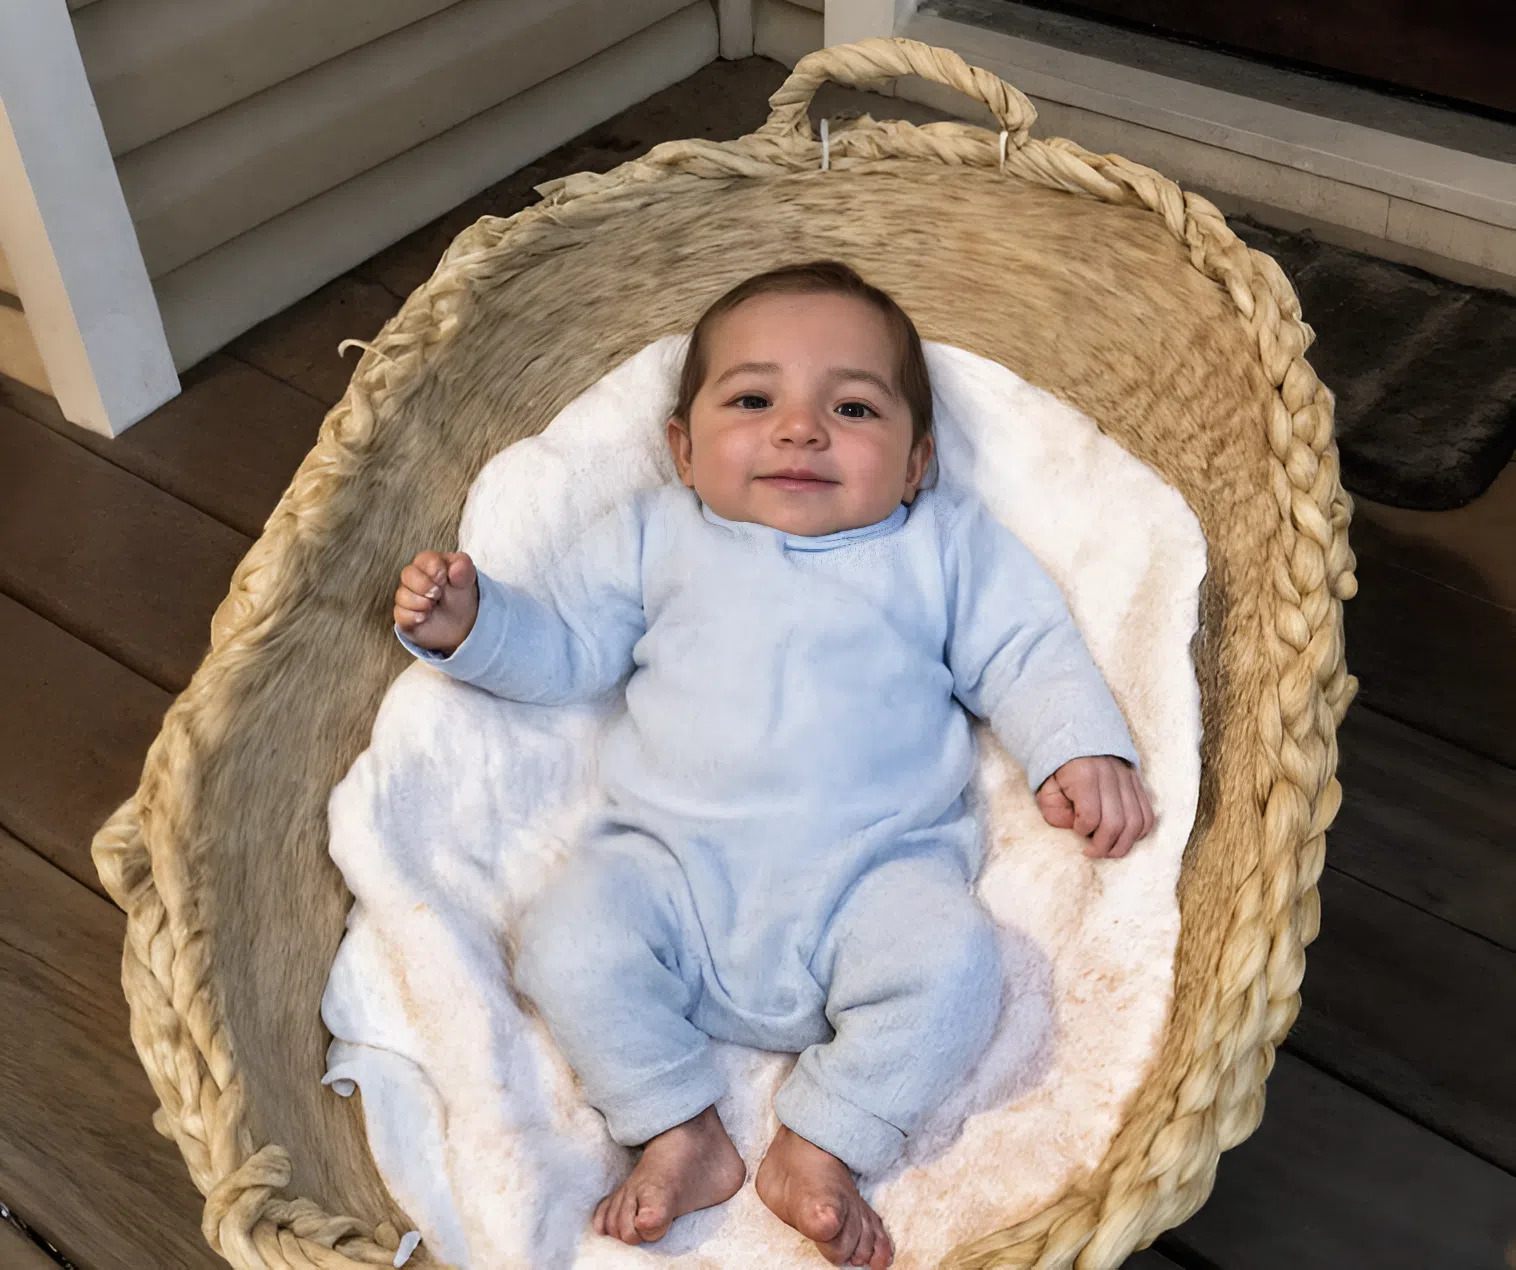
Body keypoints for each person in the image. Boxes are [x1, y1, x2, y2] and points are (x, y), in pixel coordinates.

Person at [391, 260, 1155, 1270]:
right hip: (667, 872)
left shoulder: (940, 546)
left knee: (958, 964)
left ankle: (825, 1138)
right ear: (683, 448)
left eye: (852, 408)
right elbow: (566, 648)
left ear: (917, 463)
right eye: (753, 400)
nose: (800, 430)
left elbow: (1026, 648)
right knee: (566, 943)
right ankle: (678, 1128)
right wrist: (473, 625)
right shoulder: (656, 535)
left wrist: (1078, 744)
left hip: (872, 880)